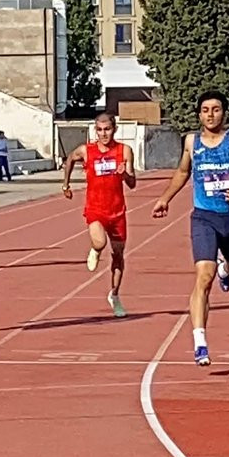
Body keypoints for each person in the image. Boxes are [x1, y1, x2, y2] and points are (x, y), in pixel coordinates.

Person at [152, 91, 229, 366]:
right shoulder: (191, 142)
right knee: (204, 277)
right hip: (204, 218)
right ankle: (199, 342)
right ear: (199, 114)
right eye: (205, 110)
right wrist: (165, 198)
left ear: (224, 112)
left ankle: (227, 268)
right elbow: (182, 172)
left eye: (215, 109)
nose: (210, 115)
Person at [62, 113, 136, 317]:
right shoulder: (86, 151)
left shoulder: (124, 151)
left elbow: (132, 183)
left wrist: (124, 174)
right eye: (100, 130)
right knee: (100, 242)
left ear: (114, 129)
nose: (103, 134)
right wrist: (66, 184)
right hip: (95, 209)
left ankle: (114, 294)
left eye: (107, 129)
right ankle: (95, 249)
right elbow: (70, 159)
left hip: (117, 212)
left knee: (118, 255)